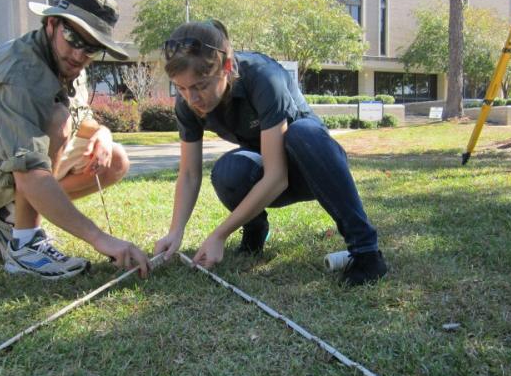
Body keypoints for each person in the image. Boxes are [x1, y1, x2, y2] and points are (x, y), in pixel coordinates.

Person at [0, 0, 149, 279]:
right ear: (52, 24)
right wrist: (101, 239)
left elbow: (83, 120)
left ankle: (5, 218)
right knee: (56, 120)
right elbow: (30, 169)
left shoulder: (69, 64)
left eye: (92, 47)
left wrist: (103, 135)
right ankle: (25, 245)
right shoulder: (17, 73)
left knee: (115, 161)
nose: (80, 54)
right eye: (73, 37)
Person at [153, 20, 387, 286]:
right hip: (266, 168)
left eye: (200, 86)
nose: (191, 99)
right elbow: (189, 174)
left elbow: (278, 176)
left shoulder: (263, 77)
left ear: (226, 67)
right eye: (181, 89)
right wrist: (176, 231)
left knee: (302, 134)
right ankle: (255, 230)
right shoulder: (188, 105)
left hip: (313, 168)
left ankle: (367, 252)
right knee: (226, 172)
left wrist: (219, 234)